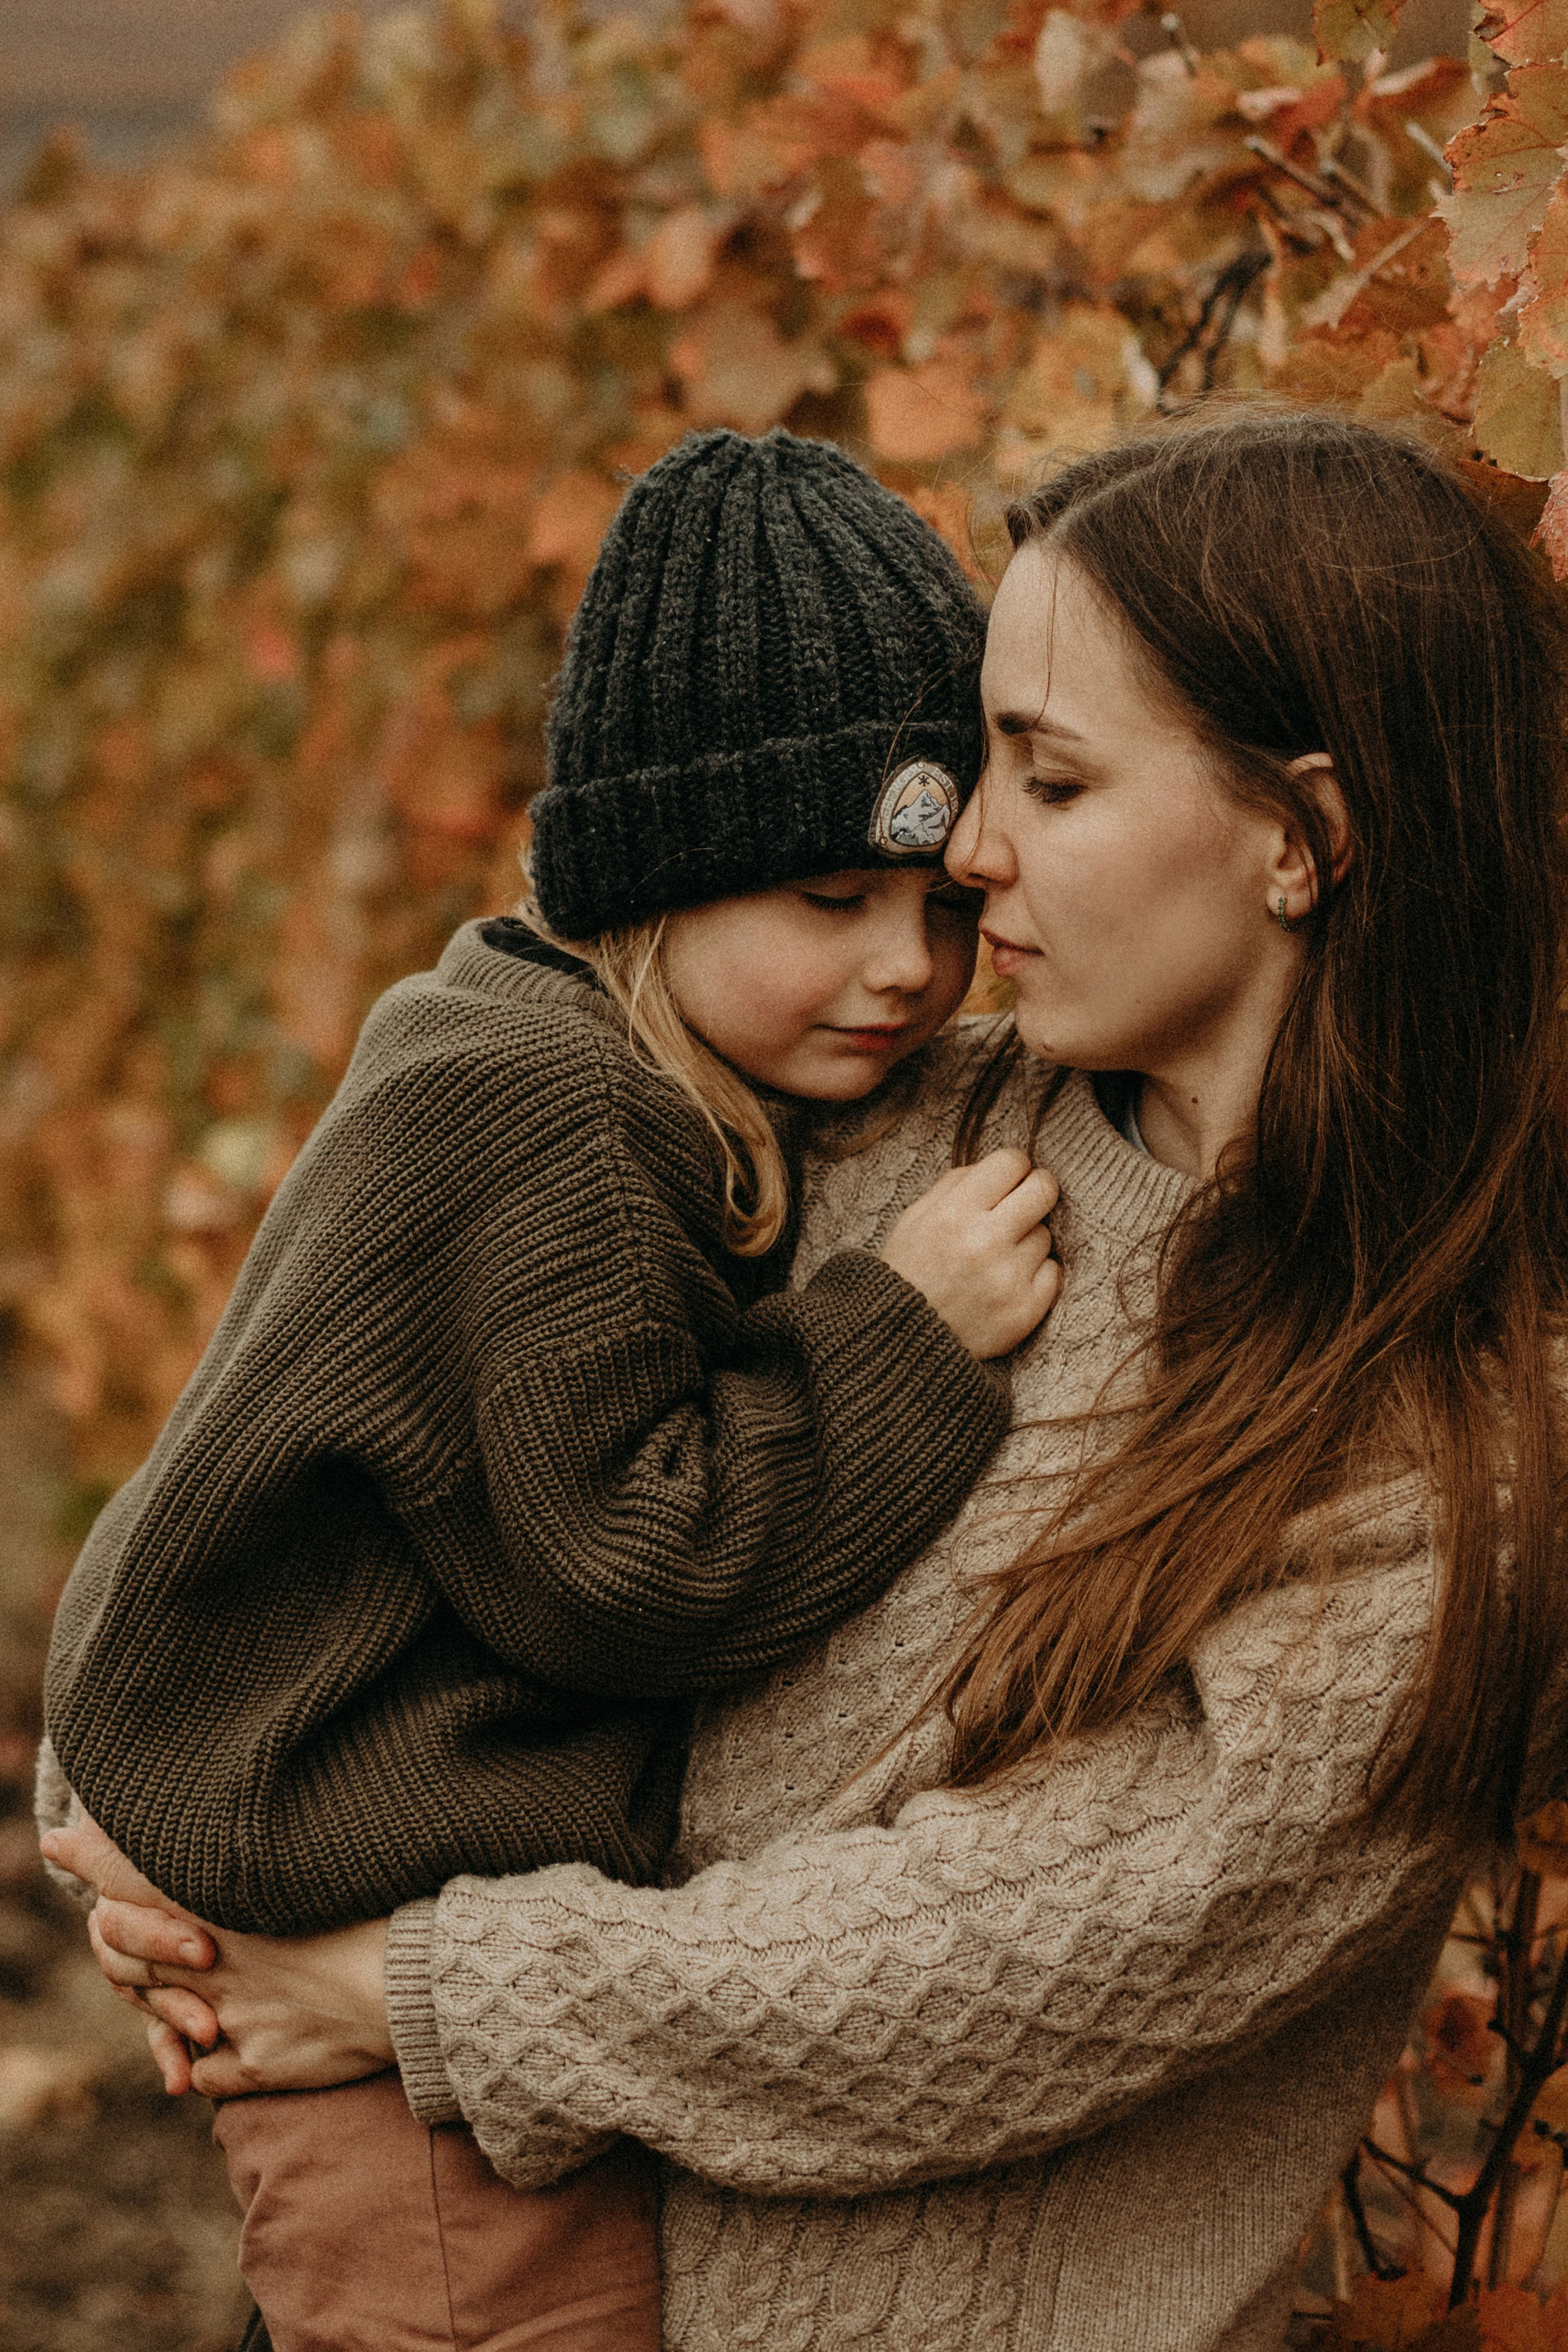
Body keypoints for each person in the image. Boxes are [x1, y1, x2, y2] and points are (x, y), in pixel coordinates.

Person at [51, 406, 1568, 2351]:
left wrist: (400, 1984)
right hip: (470, 2237)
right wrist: (189, 1847)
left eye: (1051, 775)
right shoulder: (872, 1124)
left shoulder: (1452, 1438)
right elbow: (374, 1455)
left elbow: (1012, 1966)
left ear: (1304, 838)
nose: (965, 839)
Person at [36, 428, 1062, 2352]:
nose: (911, 968)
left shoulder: (532, 1038)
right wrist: (902, 1340)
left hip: (330, 1864)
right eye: (836, 898)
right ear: (655, 886)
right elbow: (633, 1563)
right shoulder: (558, 1120)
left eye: (939, 906)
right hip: (337, 1919)